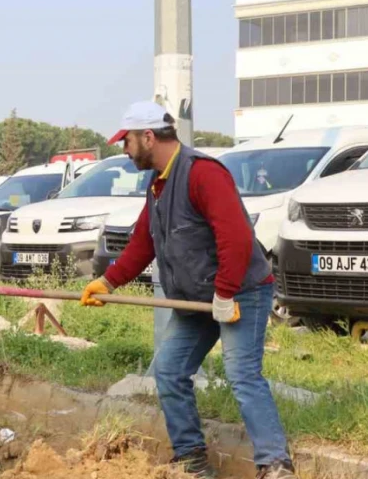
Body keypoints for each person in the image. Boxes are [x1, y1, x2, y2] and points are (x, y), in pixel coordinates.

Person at [80, 101, 296, 479]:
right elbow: (143, 242)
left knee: (242, 374)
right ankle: (192, 460)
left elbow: (236, 238)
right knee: (169, 370)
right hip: (197, 299)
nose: (124, 150)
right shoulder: (158, 184)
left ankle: (275, 464)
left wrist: (226, 293)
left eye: (127, 141)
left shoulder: (203, 174)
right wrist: (108, 281)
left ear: (148, 137)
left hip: (240, 292)